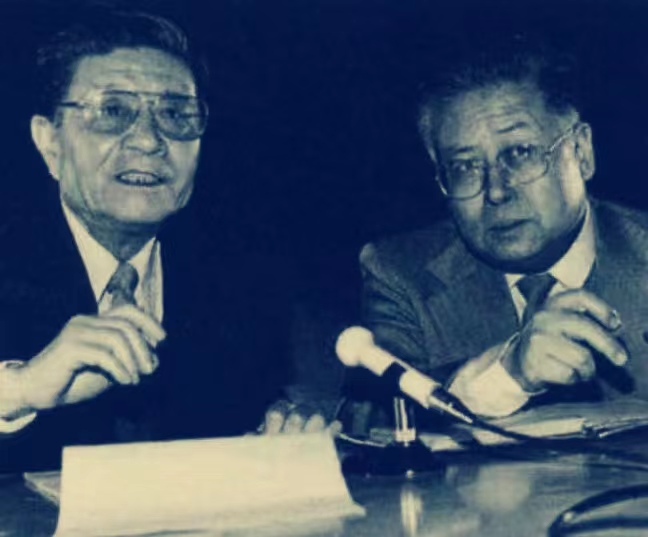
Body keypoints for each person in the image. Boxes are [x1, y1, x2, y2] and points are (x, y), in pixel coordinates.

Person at [0, 9, 322, 472]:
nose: (149, 140)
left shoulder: (242, 277)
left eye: (174, 114)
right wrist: (21, 388)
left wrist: (272, 442)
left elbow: (241, 427)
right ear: (49, 141)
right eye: (113, 112)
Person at [351, 42, 648, 424]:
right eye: (464, 167)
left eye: (520, 153)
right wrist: (505, 377)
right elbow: (373, 424)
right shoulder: (401, 275)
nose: (495, 191)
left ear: (581, 152)